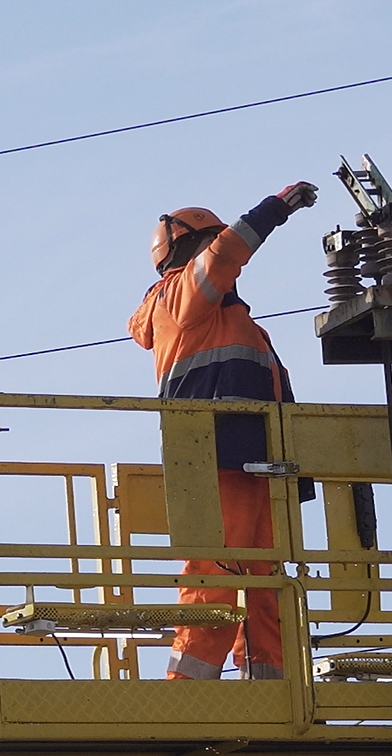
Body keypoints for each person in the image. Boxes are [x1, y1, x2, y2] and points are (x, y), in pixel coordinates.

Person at [128, 182, 318, 680]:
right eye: (210, 240)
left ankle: (273, 690)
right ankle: (187, 694)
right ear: (189, 250)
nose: (221, 251)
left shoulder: (226, 317)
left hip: (256, 457)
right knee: (215, 575)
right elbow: (225, 254)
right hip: (216, 453)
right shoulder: (180, 296)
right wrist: (274, 209)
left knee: (267, 580)